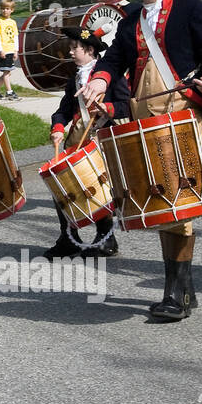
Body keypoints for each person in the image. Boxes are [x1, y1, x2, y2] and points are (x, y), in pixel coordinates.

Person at [82, 0, 202, 322]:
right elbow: (114, 59)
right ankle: (184, 290)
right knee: (165, 200)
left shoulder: (191, 9)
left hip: (183, 116)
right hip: (147, 117)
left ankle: (175, 294)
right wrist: (99, 78)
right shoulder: (132, 17)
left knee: (177, 203)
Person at [43, 25, 129, 259]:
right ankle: (68, 239)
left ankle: (106, 239)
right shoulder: (75, 80)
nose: (70, 52)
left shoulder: (110, 76)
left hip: (101, 142)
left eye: (74, 48)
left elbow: (127, 105)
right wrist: (58, 128)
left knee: (97, 189)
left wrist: (108, 108)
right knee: (60, 185)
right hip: (76, 142)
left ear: (90, 50)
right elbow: (62, 111)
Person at [0, 0, 20, 100]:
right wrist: (0, 50)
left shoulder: (13, 22)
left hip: (11, 50)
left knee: (7, 72)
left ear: (12, 10)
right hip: (4, 50)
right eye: (3, 8)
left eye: (7, 8)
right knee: (7, 72)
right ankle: (9, 92)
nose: (5, 11)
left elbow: (15, 37)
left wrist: (16, 50)